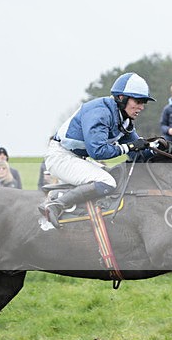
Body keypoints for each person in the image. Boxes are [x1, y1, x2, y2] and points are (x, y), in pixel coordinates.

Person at [38, 72, 155, 228]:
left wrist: (158, 148)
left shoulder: (124, 119)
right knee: (107, 182)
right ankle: (56, 204)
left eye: (144, 103)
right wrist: (129, 146)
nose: (141, 107)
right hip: (60, 157)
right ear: (121, 98)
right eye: (138, 101)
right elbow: (98, 151)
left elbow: (137, 152)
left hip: (76, 158)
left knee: (115, 176)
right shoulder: (100, 113)